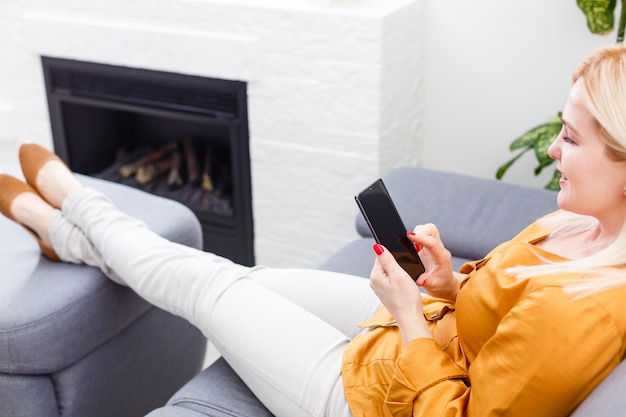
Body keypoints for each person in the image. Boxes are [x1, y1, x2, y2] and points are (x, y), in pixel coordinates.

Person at [3, 43, 626, 417]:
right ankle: (72, 233)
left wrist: (409, 316)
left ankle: (76, 208)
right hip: (427, 334)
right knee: (237, 276)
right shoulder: (578, 219)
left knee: (201, 285)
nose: (552, 153)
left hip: (379, 397)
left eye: (569, 139)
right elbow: (506, 316)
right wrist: (447, 285)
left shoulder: (590, 316)